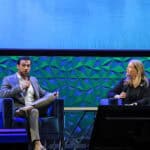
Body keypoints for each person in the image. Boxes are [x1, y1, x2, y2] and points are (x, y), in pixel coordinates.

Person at [0, 56, 59, 150]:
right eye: (23, 65)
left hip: (34, 107)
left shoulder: (34, 80)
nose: (26, 68)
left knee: (51, 96)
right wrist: (19, 87)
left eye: (28, 66)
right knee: (34, 111)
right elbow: (2, 94)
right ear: (18, 66)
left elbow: (43, 93)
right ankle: (37, 144)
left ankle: (30, 106)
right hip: (19, 110)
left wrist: (52, 95)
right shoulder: (9, 79)